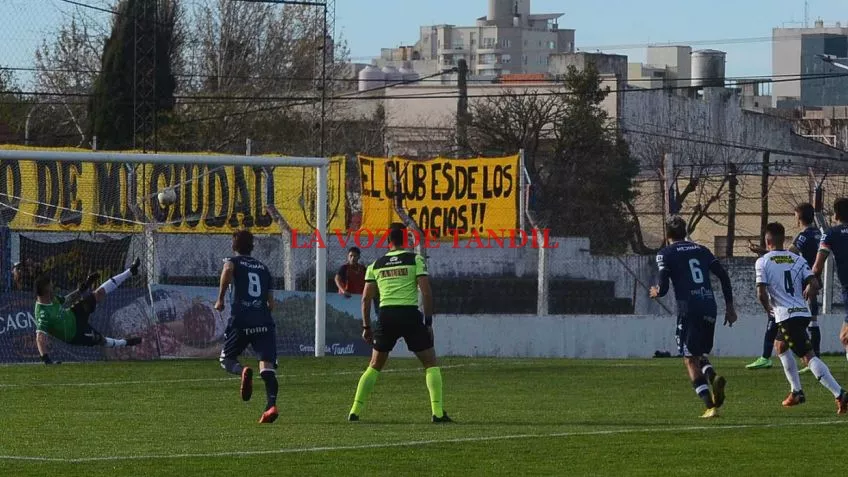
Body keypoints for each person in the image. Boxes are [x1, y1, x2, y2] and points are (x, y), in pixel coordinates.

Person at [347, 223, 451, 423]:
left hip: (386, 316)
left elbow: (365, 299)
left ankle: (354, 411)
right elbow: (427, 292)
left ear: (388, 242)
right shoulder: (415, 260)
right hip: (409, 314)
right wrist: (428, 322)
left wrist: (366, 327)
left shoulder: (375, 265)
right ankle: (437, 413)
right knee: (430, 363)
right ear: (406, 240)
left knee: (374, 365)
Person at [650, 216, 737, 419]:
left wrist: (655, 292)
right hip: (709, 306)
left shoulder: (665, 254)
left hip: (689, 310)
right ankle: (713, 377)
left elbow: (662, 287)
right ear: (685, 231)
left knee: (689, 359)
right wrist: (730, 307)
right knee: (697, 353)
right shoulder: (702, 250)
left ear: (667, 234)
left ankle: (710, 405)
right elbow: (723, 276)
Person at [756, 222, 848, 413]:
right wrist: (809, 290)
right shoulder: (796, 259)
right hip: (802, 313)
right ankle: (796, 392)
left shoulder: (763, 261)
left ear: (767, 240)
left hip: (786, 316)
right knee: (780, 345)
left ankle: (839, 393)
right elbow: (814, 283)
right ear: (784, 239)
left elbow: (761, 292)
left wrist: (767, 309)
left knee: (808, 356)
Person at [747, 203, 822, 371]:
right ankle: (813, 355)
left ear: (799, 217)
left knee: (777, 317)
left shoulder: (803, 236)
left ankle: (769, 357)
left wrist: (762, 251)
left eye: (795, 215)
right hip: (812, 279)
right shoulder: (819, 234)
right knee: (813, 320)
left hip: (800, 282)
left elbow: (787, 257)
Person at [214, 230, 279, 424]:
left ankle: (242, 371)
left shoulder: (233, 261)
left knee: (226, 360)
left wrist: (220, 299)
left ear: (234, 246)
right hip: (263, 321)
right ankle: (271, 405)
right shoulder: (264, 268)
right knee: (267, 368)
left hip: (241, 319)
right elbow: (271, 304)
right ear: (252, 246)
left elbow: (227, 270)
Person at [34, 258, 143, 365]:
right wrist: (46, 360)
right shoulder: (43, 314)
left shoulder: (52, 299)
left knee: (97, 294)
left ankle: (130, 271)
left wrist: (85, 286)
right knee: (101, 339)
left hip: (74, 314)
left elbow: (67, 299)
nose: (53, 288)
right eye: (51, 286)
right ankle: (125, 343)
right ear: (46, 290)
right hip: (75, 334)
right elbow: (39, 338)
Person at [812, 197, 848, 365]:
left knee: (845, 337)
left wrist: (813, 283)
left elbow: (817, 266)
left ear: (836, 214)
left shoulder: (831, 234)